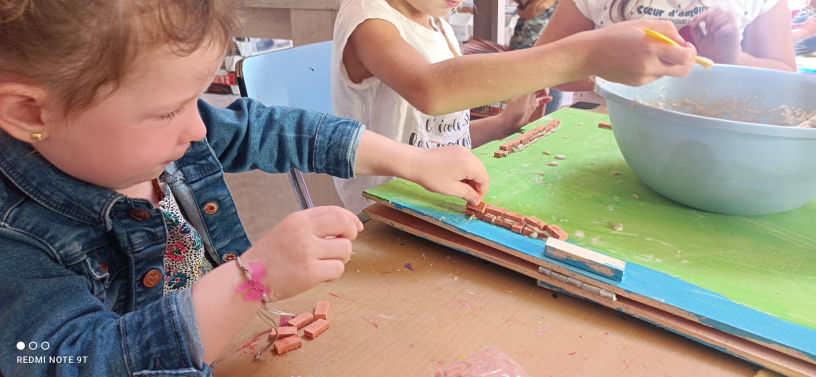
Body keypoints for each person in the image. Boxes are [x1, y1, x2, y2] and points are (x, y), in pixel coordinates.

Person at [0, 1, 490, 376]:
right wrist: (249, 280)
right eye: (168, 111)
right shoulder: (15, 241)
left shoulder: (151, 138)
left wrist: (413, 160)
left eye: (199, 98)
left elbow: (270, 129)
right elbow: (72, 360)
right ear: (30, 113)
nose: (197, 128)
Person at [331, 0, 699, 213]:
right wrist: (586, 54)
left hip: (438, 201)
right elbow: (430, 89)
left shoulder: (435, 22)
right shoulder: (368, 19)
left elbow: (434, 137)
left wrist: (503, 124)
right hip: (381, 213)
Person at [535, 0, 797, 104]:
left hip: (717, 134)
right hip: (602, 129)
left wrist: (734, 61)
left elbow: (790, 83)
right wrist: (603, 68)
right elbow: (540, 67)